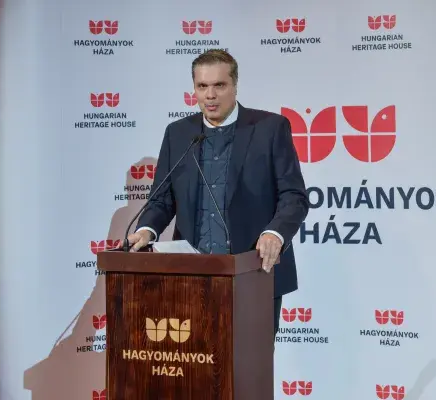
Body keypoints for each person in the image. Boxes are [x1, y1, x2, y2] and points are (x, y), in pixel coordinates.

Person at [124, 49, 309, 341]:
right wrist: (147, 230)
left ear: (235, 86)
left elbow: (294, 196)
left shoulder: (270, 128)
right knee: (194, 364)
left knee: (250, 365)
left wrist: (275, 233)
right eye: (202, 86)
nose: (210, 95)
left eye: (219, 85)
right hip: (191, 277)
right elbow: (162, 198)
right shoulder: (178, 133)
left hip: (252, 273)